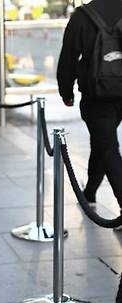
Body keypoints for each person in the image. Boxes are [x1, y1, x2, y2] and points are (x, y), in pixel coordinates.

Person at [57, 0, 122, 230]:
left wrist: (66, 91)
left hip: (98, 96)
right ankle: (90, 193)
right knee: (103, 143)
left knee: (107, 147)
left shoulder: (82, 17)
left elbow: (68, 59)